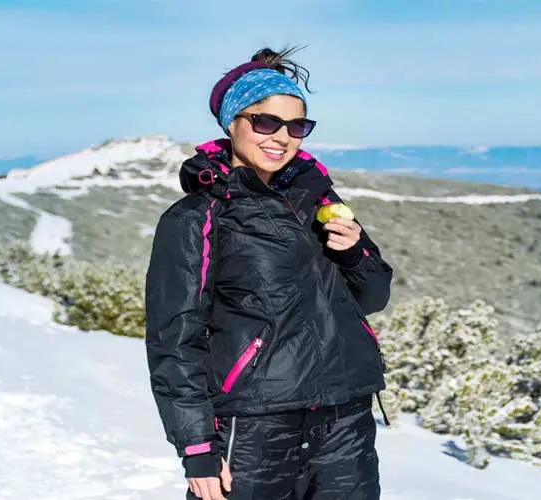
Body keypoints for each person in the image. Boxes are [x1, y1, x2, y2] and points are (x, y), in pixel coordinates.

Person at [145, 46, 393, 500]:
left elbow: (372, 299)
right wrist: (197, 447)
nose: (282, 136)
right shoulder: (197, 217)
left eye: (296, 126)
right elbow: (174, 340)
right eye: (265, 122)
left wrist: (357, 253)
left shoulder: (317, 200)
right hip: (256, 424)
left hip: (345, 418)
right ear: (232, 122)